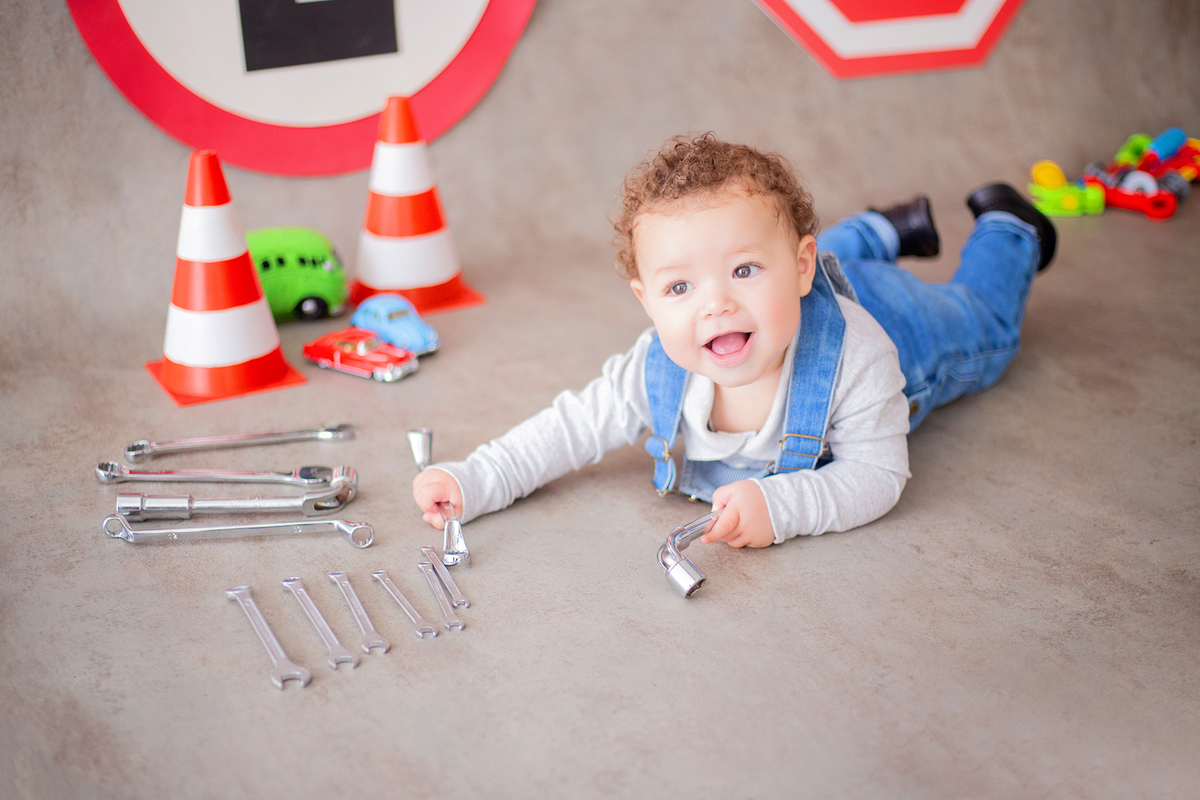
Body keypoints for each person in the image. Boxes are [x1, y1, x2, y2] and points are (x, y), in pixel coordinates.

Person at [412, 133, 1056, 548]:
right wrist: (477, 479)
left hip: (901, 325)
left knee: (985, 330)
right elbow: (569, 427)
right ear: (646, 301)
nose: (716, 304)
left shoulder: (859, 358)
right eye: (679, 288)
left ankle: (1008, 228)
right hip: (796, 282)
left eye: (741, 271)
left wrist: (782, 505)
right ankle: (882, 231)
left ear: (803, 270)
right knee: (793, 248)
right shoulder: (660, 365)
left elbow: (878, 473)